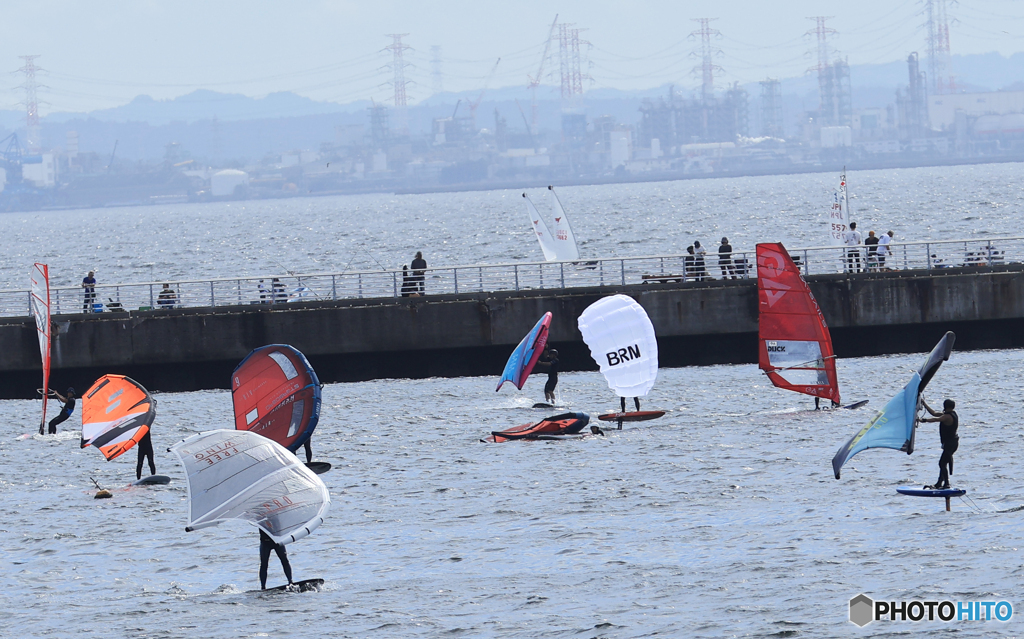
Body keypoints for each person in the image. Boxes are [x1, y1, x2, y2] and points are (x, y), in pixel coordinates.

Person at [920, 398, 958, 490]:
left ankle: (946, 484)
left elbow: (936, 419)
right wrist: (924, 403)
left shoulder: (947, 417)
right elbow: (933, 413)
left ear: (945, 406)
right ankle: (939, 483)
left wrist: (923, 420)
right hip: (952, 443)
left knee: (942, 463)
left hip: (950, 444)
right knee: (943, 463)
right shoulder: (949, 414)